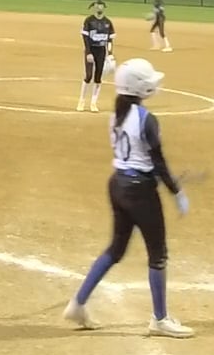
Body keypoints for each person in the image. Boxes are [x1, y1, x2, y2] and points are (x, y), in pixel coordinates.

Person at [62, 57, 194, 339]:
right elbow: (157, 161)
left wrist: (162, 180)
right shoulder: (146, 119)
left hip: (118, 185)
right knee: (158, 254)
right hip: (140, 191)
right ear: (139, 87)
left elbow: (142, 157)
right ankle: (160, 319)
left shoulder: (116, 116)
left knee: (115, 249)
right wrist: (176, 191)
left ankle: (78, 304)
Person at [78, 0, 117, 112]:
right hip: (91, 50)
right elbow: (85, 38)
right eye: (97, 6)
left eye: (101, 6)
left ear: (104, 8)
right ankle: (81, 101)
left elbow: (110, 40)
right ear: (94, 8)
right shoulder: (89, 21)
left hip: (101, 51)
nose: (99, 8)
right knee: (88, 76)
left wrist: (110, 53)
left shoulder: (108, 22)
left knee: (98, 77)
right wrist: (88, 52)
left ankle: (93, 103)